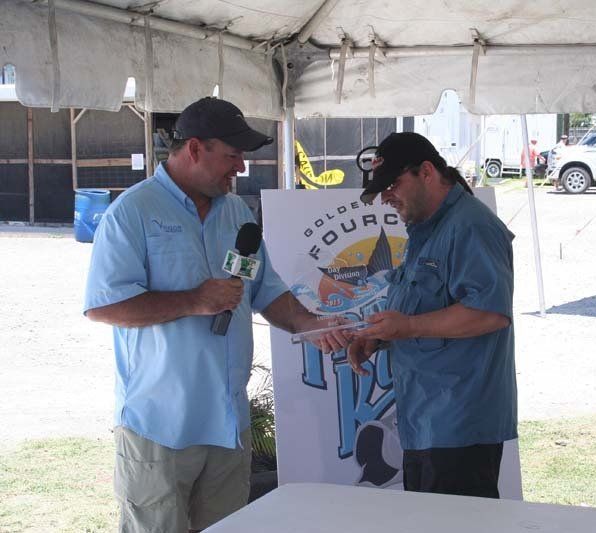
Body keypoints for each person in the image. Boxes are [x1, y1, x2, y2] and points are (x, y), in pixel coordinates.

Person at [84, 97, 346, 532]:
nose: (241, 167)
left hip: (229, 428)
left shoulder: (236, 213)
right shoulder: (132, 213)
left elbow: (266, 290)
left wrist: (310, 324)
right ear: (194, 149)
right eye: (232, 155)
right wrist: (193, 300)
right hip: (160, 428)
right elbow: (104, 306)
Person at [347, 132, 517, 499]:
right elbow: (423, 304)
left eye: (392, 184)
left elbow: (491, 313)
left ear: (426, 171)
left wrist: (406, 327)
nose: (387, 196)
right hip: (423, 418)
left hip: (459, 425)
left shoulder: (470, 225)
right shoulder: (426, 226)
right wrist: (379, 336)